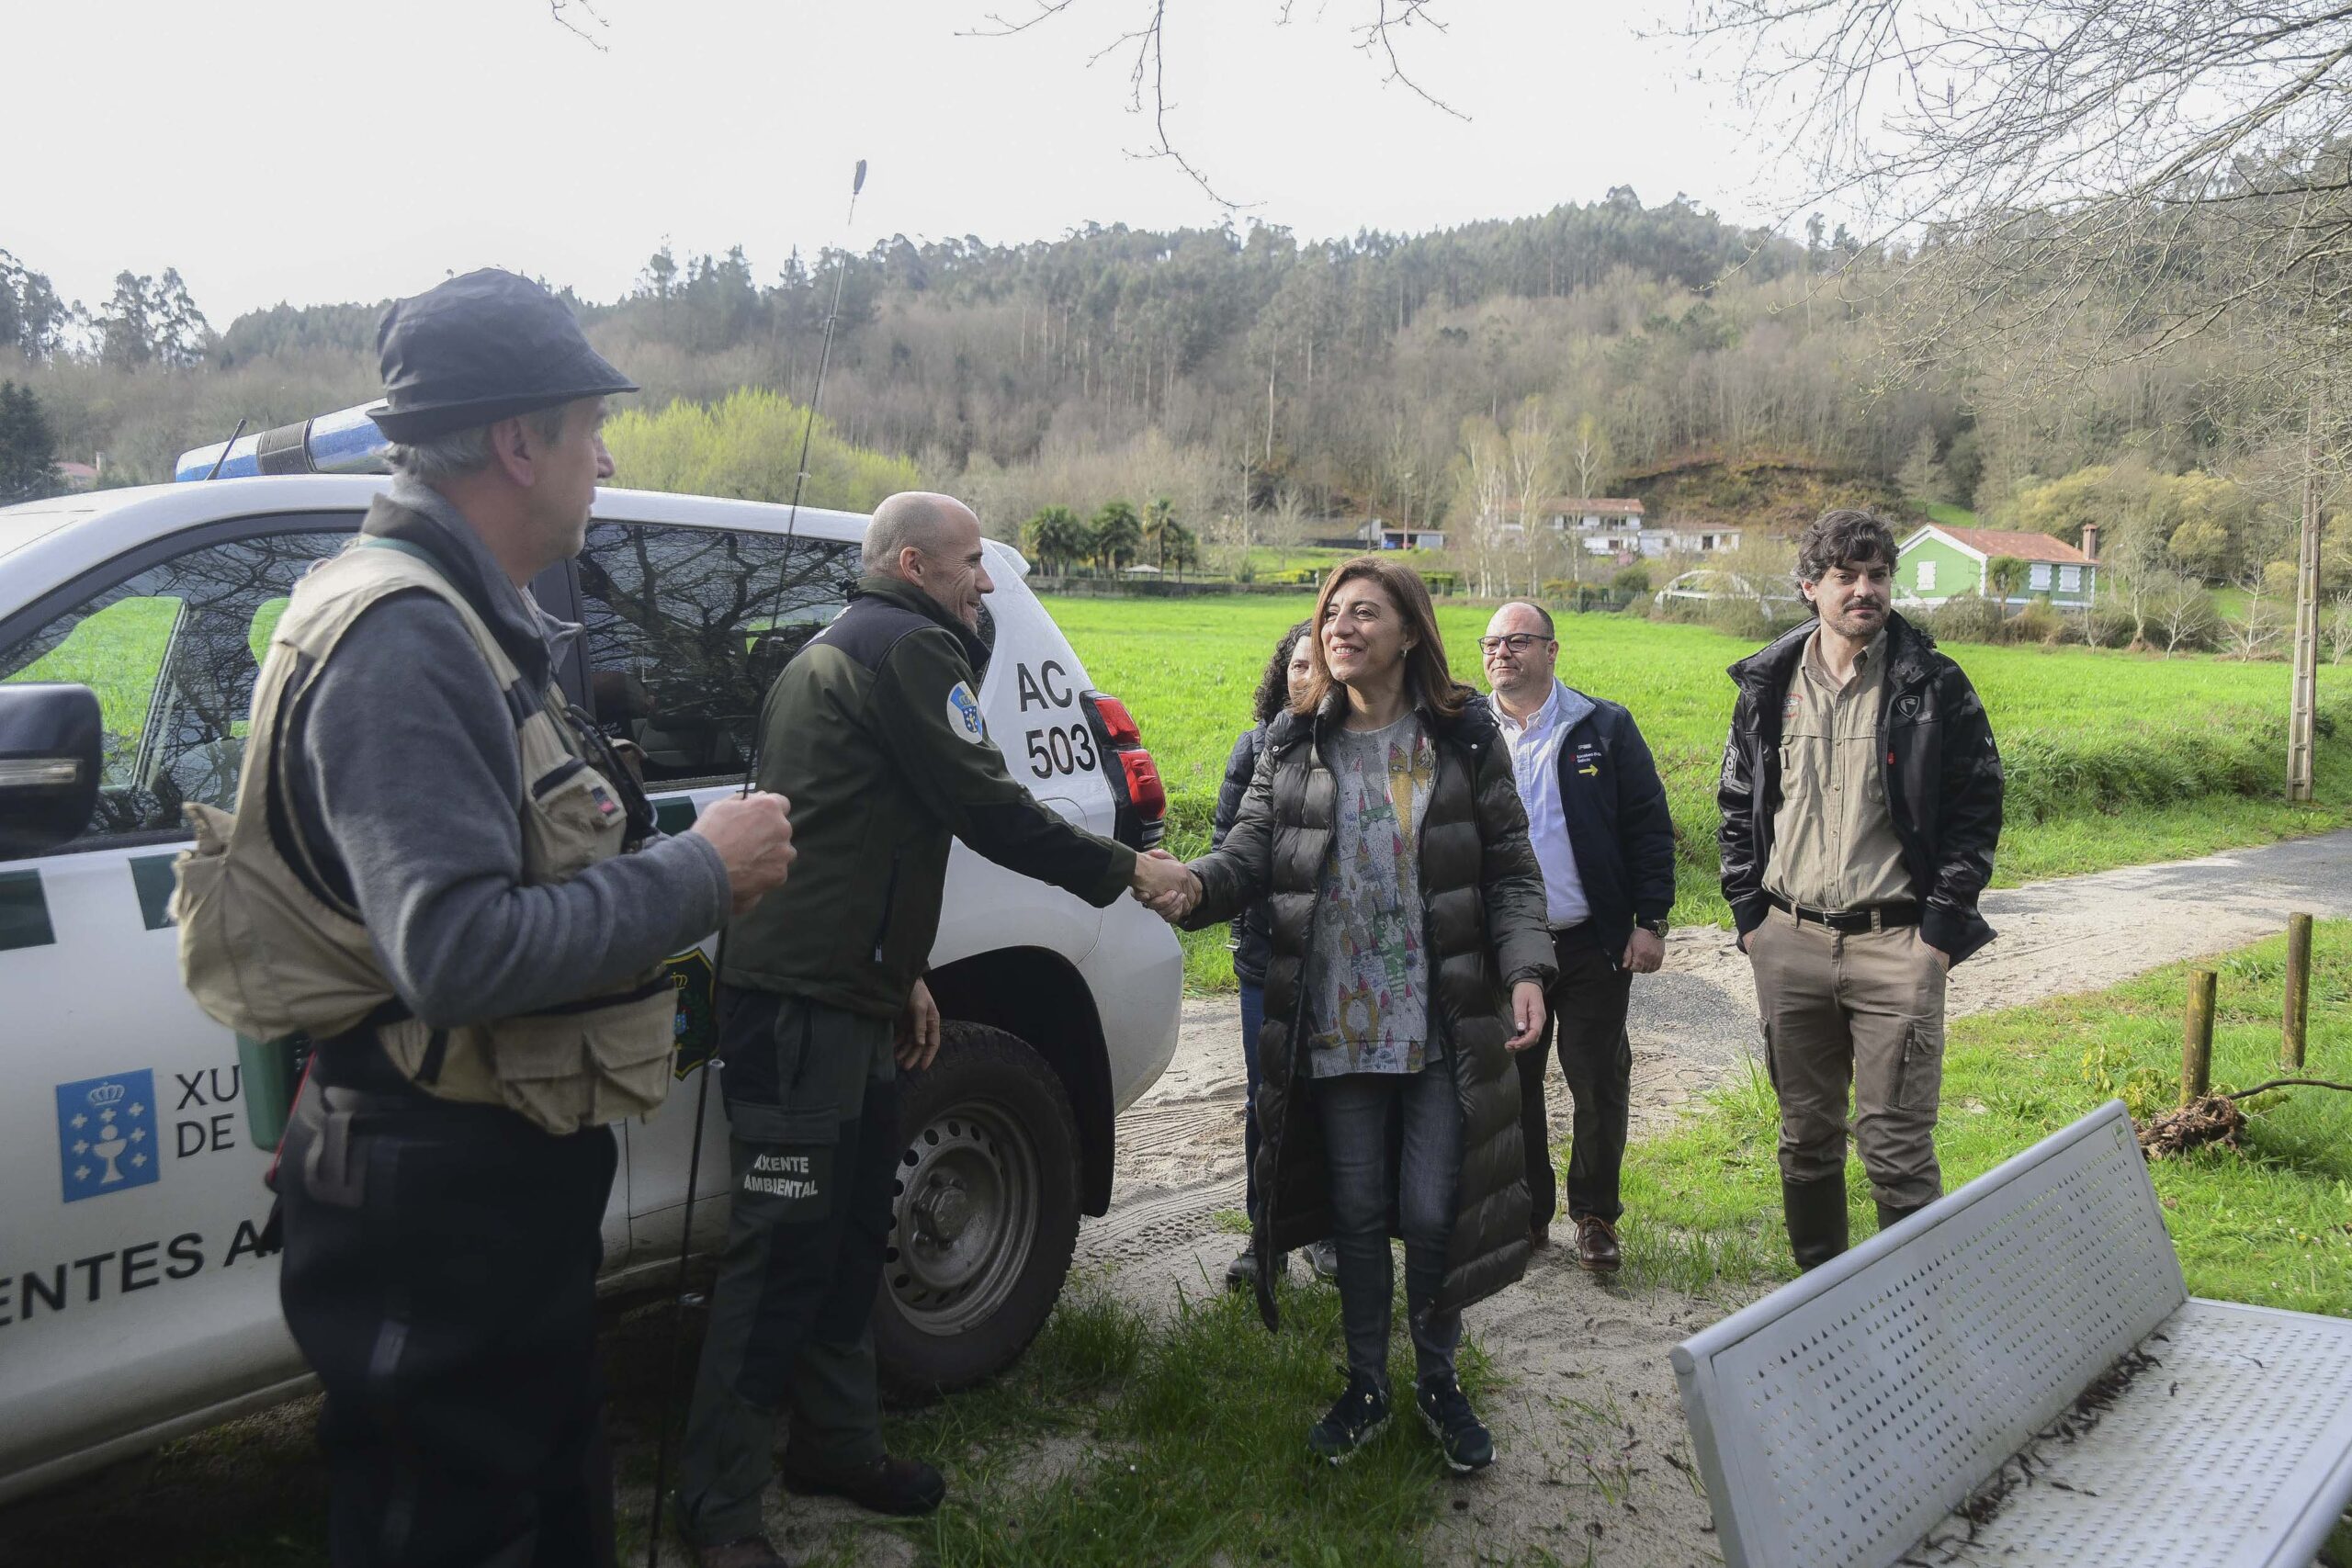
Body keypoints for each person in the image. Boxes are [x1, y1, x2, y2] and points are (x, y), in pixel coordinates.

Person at [198, 269, 799, 1567]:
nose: (608, 454)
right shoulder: (403, 637)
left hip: (487, 1183)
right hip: (441, 1201)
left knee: (543, 1503)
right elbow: (459, 952)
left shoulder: (467, 616)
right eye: (591, 424)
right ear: (518, 440)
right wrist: (703, 871)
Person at [674, 491, 1200, 1568]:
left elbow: (846, 829)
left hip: (857, 992)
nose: (986, 582)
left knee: (850, 1230)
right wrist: (1126, 869)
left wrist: (903, 969)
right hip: (805, 1006)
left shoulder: (831, 648)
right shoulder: (910, 648)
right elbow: (987, 806)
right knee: (780, 1256)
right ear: (913, 563)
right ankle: (719, 1508)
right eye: (969, 563)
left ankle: (838, 1446)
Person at [1141, 557, 1554, 1474]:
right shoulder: (1292, 741)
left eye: (1364, 613)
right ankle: (1366, 1384)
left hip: (1439, 1019)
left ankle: (1438, 1379)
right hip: (1334, 1020)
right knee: (1360, 1211)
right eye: (1331, 613)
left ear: (1410, 632)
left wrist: (1525, 966)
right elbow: (1247, 856)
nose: (1340, 627)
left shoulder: (1463, 736)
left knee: (1431, 1207)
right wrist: (1193, 886)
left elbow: (1512, 871)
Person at [1717, 508, 2004, 1272]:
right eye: (1846, 575)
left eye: (1877, 574)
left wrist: (1938, 936)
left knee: (1896, 1142)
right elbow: (1737, 802)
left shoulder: (1932, 685)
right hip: (1790, 941)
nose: (1864, 589)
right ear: (1811, 586)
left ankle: (1916, 1313)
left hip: (1898, 945)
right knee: (1805, 1132)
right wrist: (1752, 918)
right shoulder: (1769, 683)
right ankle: (1823, 1297)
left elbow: (1978, 809)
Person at [1480, 601, 1675, 1274]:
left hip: (1592, 939)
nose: (1502, 652)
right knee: (1514, 1082)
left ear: (1552, 650)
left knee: (1596, 1079)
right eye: (1492, 643)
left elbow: (1649, 826)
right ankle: (1527, 1214)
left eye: (1518, 640)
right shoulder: (1471, 732)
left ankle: (1595, 1215)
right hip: (1506, 946)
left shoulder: (1603, 727)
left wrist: (1649, 921)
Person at [1213, 621, 1338, 1291]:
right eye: (1295, 664)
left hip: (1341, 960)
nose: (1305, 675)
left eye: (1317, 664)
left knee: (1336, 1100)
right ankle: (1266, 1239)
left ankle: (1327, 1235)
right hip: (1267, 957)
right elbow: (1226, 841)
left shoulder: (1358, 750)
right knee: (1270, 1103)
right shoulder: (1256, 747)